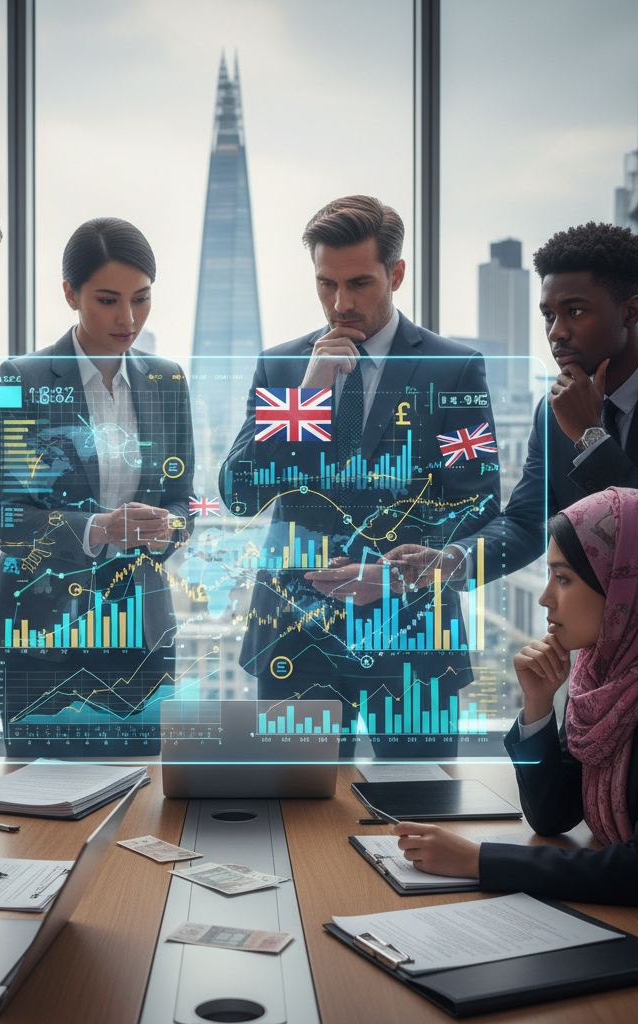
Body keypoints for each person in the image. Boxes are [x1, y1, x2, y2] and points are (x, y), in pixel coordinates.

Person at [220, 196, 500, 750]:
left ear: (396, 274)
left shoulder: (455, 368)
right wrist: (304, 401)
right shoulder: (283, 367)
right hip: (296, 641)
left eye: (359, 284)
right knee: (295, 821)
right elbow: (238, 494)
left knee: (422, 812)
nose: (340, 303)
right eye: (327, 284)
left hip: (414, 642)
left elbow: (478, 507)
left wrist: (397, 578)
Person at [392, 487, 638, 945]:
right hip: (637, 919)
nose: (546, 598)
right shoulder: (603, 671)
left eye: (563, 579)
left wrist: (477, 860)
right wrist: (537, 704)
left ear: (627, 583)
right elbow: (553, 815)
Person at [388, 222, 638, 654]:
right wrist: (452, 560)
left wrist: (590, 437)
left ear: (631, 311)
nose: (556, 331)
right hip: (599, 654)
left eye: (575, 311)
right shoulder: (552, 411)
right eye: (549, 314)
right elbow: (528, 521)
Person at [0, 218, 194, 755]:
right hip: (41, 630)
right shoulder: (20, 381)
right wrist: (100, 528)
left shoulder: (167, 381)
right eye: (107, 300)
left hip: (138, 629)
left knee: (141, 802)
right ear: (70, 294)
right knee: (38, 804)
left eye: (141, 299)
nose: (128, 319)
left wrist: (169, 526)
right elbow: (7, 518)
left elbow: (183, 498)